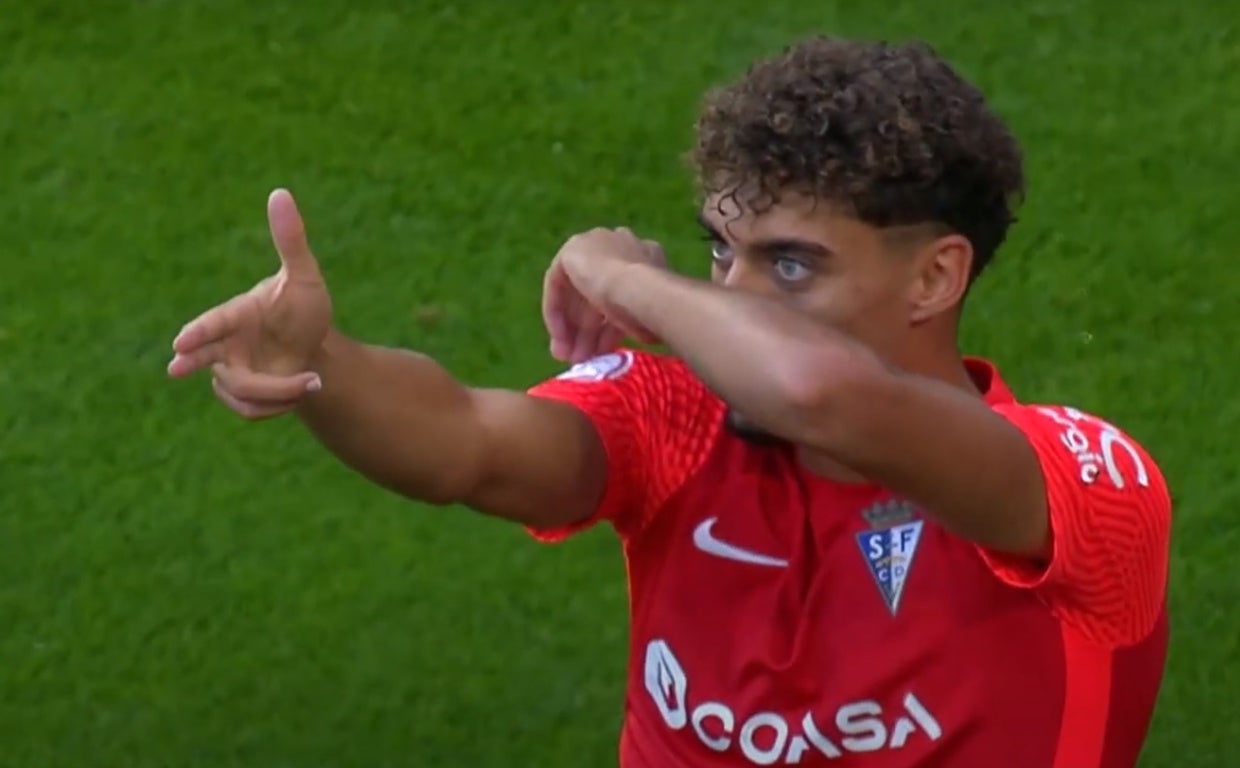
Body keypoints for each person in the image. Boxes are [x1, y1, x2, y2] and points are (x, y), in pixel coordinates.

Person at [168, 37, 1172, 768]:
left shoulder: (1077, 485)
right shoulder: (675, 421)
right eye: (717, 252)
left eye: (787, 265)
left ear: (932, 278)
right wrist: (321, 365)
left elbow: (821, 391)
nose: (727, 297)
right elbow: (461, 445)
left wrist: (627, 280)